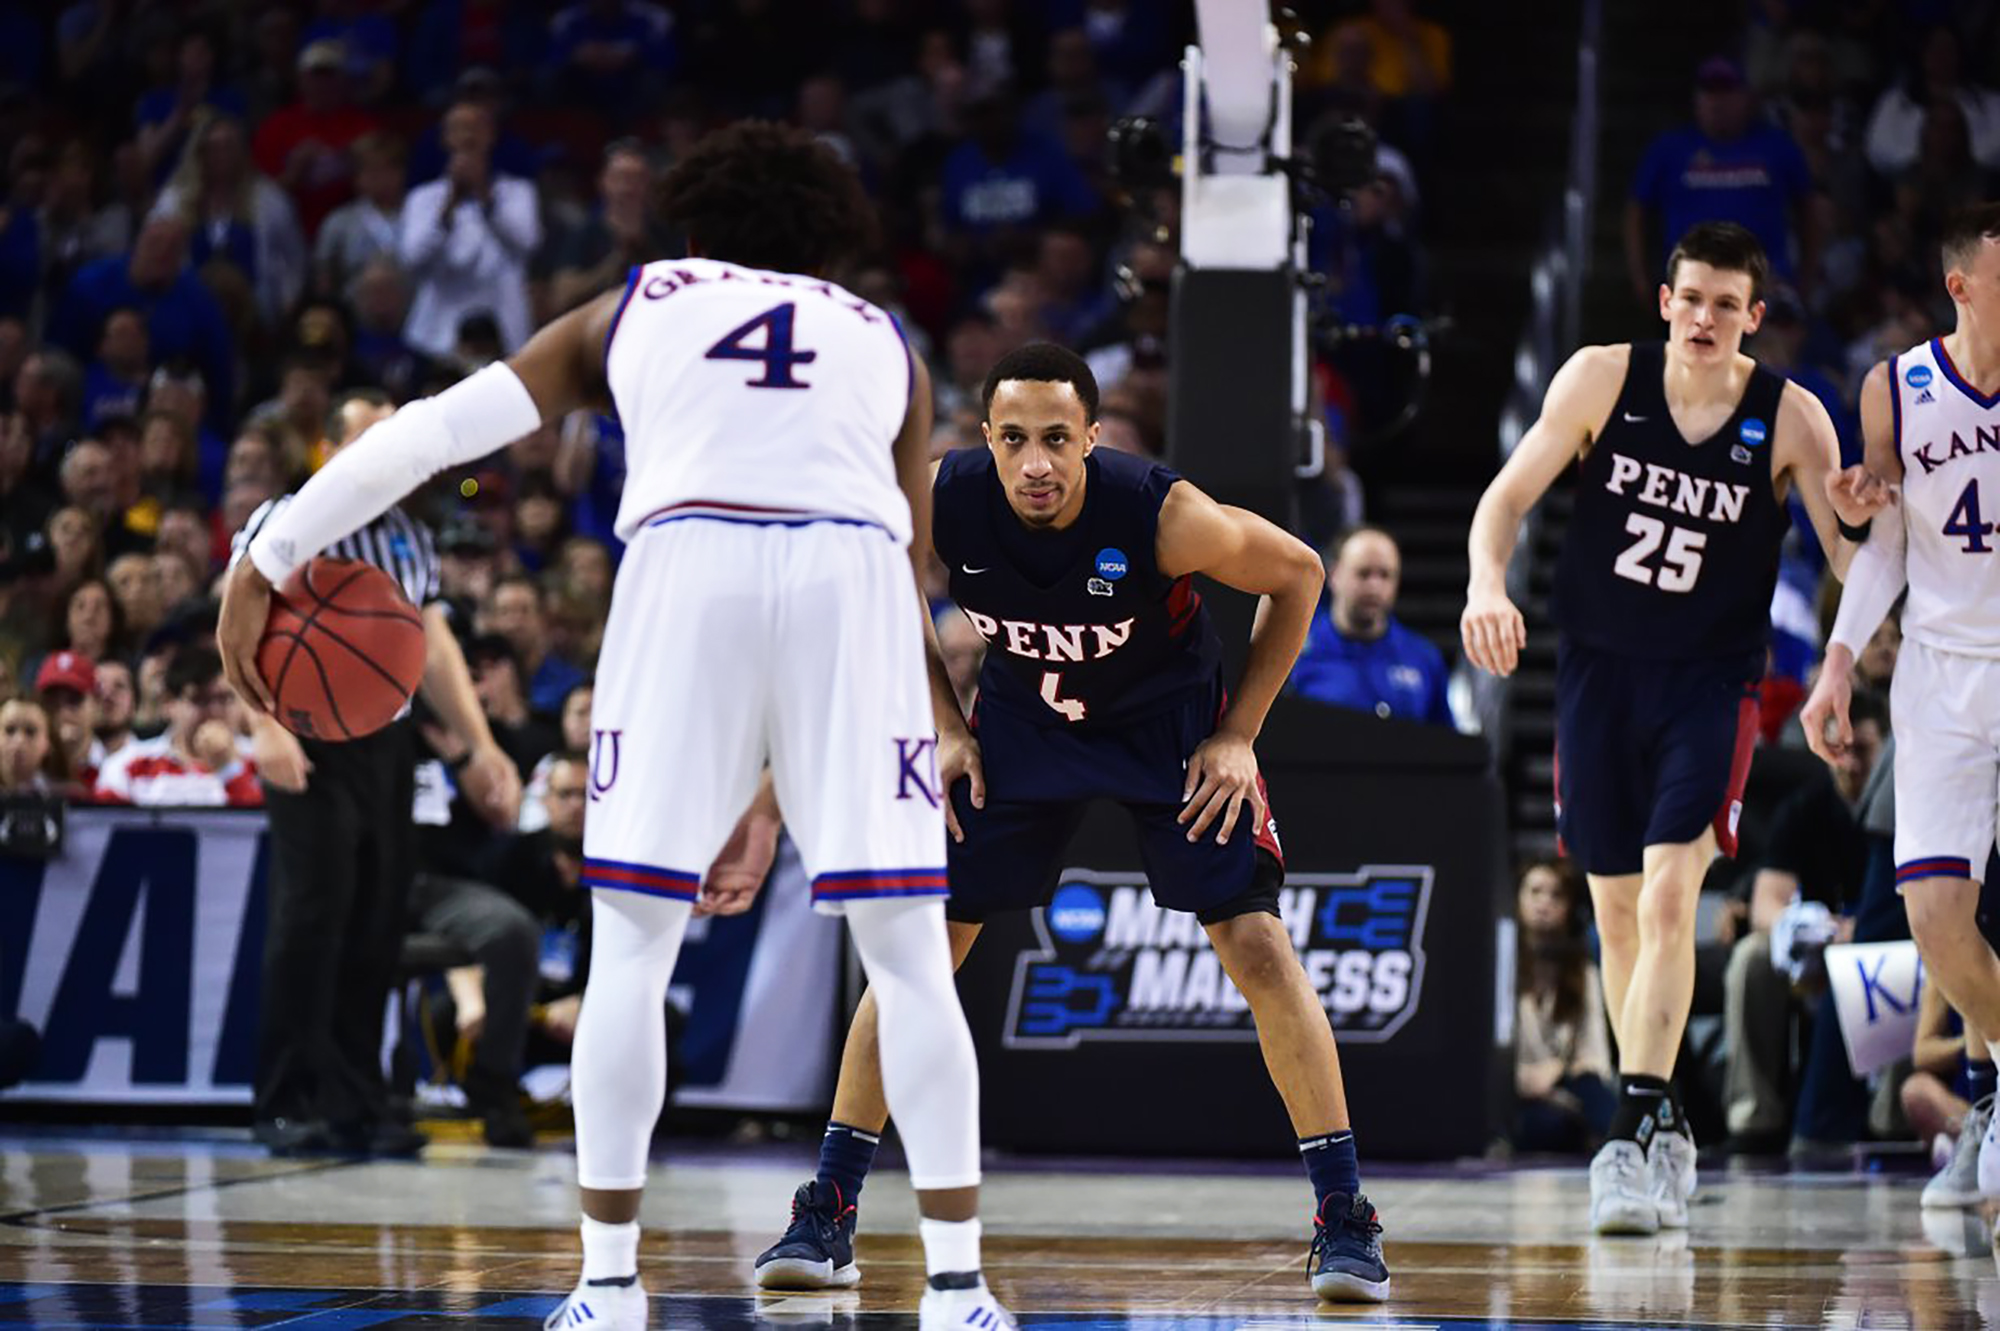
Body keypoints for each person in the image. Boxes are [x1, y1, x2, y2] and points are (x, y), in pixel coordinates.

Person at [216, 121, 1007, 1331]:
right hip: (853, 583)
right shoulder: (881, 341)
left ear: (693, 232)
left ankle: (607, 1283)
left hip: (684, 569)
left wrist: (270, 551)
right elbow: (907, 562)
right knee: (905, 956)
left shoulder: (639, 303)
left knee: (631, 949)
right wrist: (774, 788)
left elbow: (431, 433)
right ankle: (957, 1291)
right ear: (830, 245)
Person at [751, 343, 1391, 1303]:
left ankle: (1345, 1218)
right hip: (1022, 726)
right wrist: (946, 727)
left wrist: (1238, 732)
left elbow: (1298, 574)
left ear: (1093, 437)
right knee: (919, 950)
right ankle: (829, 1208)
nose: (1036, 462)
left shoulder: (1159, 511)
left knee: (1257, 946)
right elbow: (876, 579)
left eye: (1057, 438)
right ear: (987, 440)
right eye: (1014, 439)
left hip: (1166, 730)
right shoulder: (943, 496)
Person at [1461, 220, 1880, 1236]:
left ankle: (1630, 1126)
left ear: (1753, 316)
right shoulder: (1601, 377)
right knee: (1613, 916)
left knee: (1666, 895)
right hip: (1596, 674)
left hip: (1710, 683)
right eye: (1688, 297)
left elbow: (1846, 556)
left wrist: (1863, 530)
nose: (1702, 317)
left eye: (1724, 304)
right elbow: (1504, 497)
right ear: (1663, 300)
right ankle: (1664, 1123)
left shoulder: (1790, 416)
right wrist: (1482, 580)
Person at [233, 388, 520, 1160]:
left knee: (377, 919)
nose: (387, 457)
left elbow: (435, 647)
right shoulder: (285, 519)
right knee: (309, 918)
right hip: (306, 738)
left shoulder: (409, 539)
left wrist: (481, 743)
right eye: (369, 441)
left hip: (388, 745)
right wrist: (261, 725)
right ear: (329, 451)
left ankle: (356, 1099)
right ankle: (287, 1098)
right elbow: (239, 622)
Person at [1801, 202, 2000, 1243]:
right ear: (1961, 285)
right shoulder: (1895, 385)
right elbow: (1876, 534)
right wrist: (1835, 664)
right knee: (1932, 917)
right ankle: (1994, 1091)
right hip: (1935, 672)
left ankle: (1985, 1101)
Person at [1722, 688, 1886, 1153]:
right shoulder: (1804, 806)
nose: (1851, 764)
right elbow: (1765, 905)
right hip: (1815, 949)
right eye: (1841, 750)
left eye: (1864, 750)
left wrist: (1863, 931)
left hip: (1880, 946)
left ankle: (1888, 1120)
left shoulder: (1906, 807)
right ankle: (1753, 1116)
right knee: (1751, 959)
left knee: (1901, 963)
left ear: (1887, 747)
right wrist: (1811, 928)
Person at [1288, 525, 1452, 725]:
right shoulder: (1296, 650)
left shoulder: (1423, 656)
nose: (1374, 587)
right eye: (1363, 574)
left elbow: (1445, 740)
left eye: (1385, 575)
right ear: (1334, 575)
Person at [1514, 858, 1615, 1154]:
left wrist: (1556, 1070)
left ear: (1569, 907)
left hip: (1567, 1085)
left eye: (1556, 894)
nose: (1544, 903)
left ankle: (1619, 1152)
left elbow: (1595, 1058)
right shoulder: (1499, 964)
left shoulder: (1582, 971)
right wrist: (1522, 1077)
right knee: (1547, 1128)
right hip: (1514, 1089)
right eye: (1535, 892)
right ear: (1518, 899)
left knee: (1600, 1101)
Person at [93, 644, 261, 807]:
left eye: (225, 699)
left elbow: (270, 829)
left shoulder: (263, 761)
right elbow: (102, 828)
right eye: (200, 700)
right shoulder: (127, 765)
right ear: (169, 704)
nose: (215, 711)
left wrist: (229, 769)